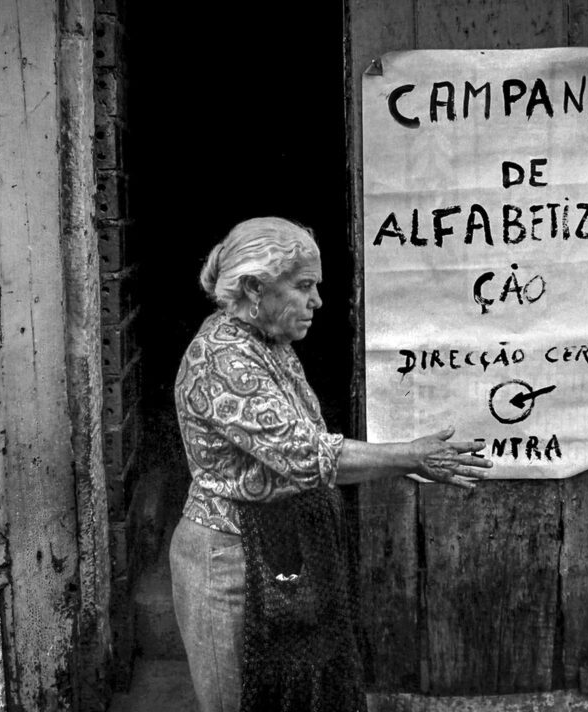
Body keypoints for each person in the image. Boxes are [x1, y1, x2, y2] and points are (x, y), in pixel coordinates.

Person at [171, 216, 492, 712]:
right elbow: (306, 455)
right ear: (255, 288)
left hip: (274, 548)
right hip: (229, 559)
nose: (317, 301)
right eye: (303, 286)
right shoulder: (223, 357)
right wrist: (411, 456)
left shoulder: (267, 344)